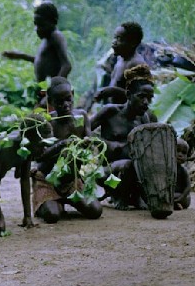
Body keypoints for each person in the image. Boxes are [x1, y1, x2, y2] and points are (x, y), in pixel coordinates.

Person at [31, 77, 102, 223]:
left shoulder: (81, 117)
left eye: (68, 99)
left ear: (73, 94)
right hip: (48, 180)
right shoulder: (47, 123)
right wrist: (62, 144)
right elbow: (39, 157)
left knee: (95, 211)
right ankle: (52, 202)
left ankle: (69, 200)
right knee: (52, 216)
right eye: (59, 101)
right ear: (50, 102)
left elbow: (90, 146)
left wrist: (89, 146)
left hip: (72, 181)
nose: (65, 105)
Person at [0, 114, 53, 233]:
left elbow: (24, 180)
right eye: (42, 146)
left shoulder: (25, 149)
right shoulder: (3, 148)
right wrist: (0, 218)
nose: (44, 150)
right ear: (28, 139)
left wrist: (27, 216)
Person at [91, 64, 156, 209]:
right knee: (127, 165)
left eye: (149, 98)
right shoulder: (110, 112)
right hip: (106, 172)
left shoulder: (144, 119)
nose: (146, 102)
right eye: (141, 97)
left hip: (132, 173)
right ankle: (121, 196)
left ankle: (136, 195)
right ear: (128, 95)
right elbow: (84, 132)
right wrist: (105, 143)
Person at [2, 2, 71, 107]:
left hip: (55, 96)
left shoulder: (56, 37)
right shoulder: (46, 39)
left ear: (53, 22)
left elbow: (66, 65)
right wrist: (20, 56)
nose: (37, 29)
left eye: (41, 25)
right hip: (44, 91)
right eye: (36, 24)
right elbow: (45, 63)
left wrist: (55, 91)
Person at [95, 22, 146, 104]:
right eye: (115, 38)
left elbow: (139, 97)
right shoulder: (120, 59)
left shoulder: (136, 64)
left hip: (126, 114)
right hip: (115, 111)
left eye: (119, 39)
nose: (114, 42)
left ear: (133, 43)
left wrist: (112, 91)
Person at [175, 138, 191, 210]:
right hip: (171, 195)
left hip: (182, 196)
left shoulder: (183, 170)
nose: (180, 155)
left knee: (186, 199)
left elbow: (188, 187)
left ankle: (176, 203)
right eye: (177, 151)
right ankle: (174, 204)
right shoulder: (166, 169)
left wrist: (181, 197)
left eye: (184, 153)